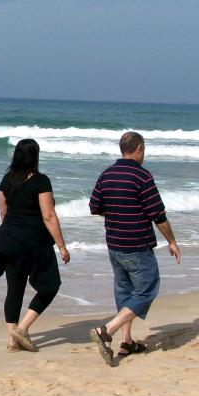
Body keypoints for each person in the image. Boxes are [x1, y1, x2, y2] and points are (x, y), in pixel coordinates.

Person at [88, 131, 181, 366]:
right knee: (147, 290)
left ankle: (127, 342)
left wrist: (118, 212)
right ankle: (107, 330)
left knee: (125, 292)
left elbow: (94, 206)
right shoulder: (142, 176)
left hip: (114, 244)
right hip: (136, 245)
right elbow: (158, 214)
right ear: (139, 149)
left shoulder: (107, 174)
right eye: (144, 149)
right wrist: (171, 241)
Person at [0, 139, 70, 352]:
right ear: (35, 156)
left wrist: (13, 234)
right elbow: (49, 216)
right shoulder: (41, 181)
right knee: (51, 285)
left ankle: (12, 341)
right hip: (33, 241)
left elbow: (3, 213)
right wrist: (61, 246)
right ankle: (22, 329)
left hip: (7, 239)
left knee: (14, 289)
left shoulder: (6, 180)